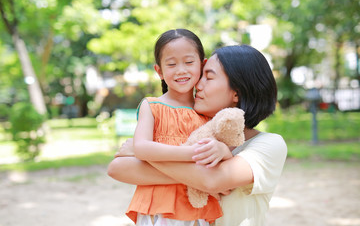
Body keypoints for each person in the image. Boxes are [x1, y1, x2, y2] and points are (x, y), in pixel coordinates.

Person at [108, 44, 288, 226]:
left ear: (237, 93)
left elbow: (212, 180)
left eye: (208, 77)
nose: (197, 85)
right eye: (200, 76)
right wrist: (146, 150)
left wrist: (142, 150)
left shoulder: (269, 144)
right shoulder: (189, 134)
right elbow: (118, 168)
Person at [122, 28, 224, 226]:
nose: (181, 70)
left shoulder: (208, 111)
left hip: (197, 207)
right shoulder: (151, 106)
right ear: (159, 71)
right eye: (171, 64)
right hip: (158, 206)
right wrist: (192, 153)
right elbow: (142, 148)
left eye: (188, 62)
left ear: (202, 65)